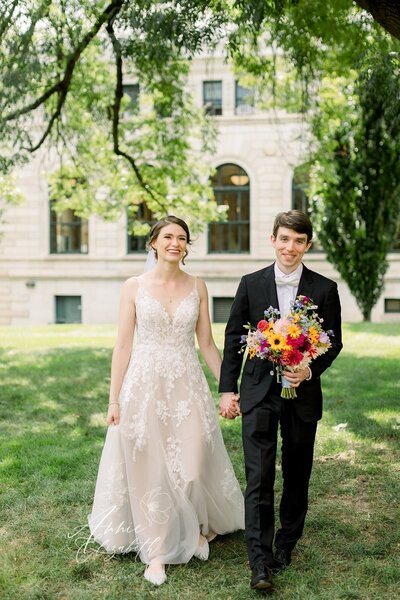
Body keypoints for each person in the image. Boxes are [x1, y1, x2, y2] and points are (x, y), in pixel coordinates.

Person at [88, 215, 244, 586]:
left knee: (190, 465)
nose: (176, 243)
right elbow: (123, 345)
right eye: (168, 236)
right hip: (143, 387)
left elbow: (206, 343)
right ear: (153, 243)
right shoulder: (133, 287)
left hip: (187, 385)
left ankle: (192, 532)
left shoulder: (198, 286)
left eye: (182, 238)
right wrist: (114, 400)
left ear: (187, 247)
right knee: (149, 468)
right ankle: (156, 551)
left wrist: (227, 388)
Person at [218, 210, 343, 592]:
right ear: (273, 239)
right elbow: (233, 338)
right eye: (284, 239)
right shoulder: (251, 284)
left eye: (299, 241)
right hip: (258, 393)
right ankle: (259, 560)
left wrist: (308, 370)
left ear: (308, 245)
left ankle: (285, 544)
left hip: (301, 395)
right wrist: (227, 389)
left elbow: (333, 341)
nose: (290, 247)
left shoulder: (324, 288)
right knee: (259, 475)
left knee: (297, 471)